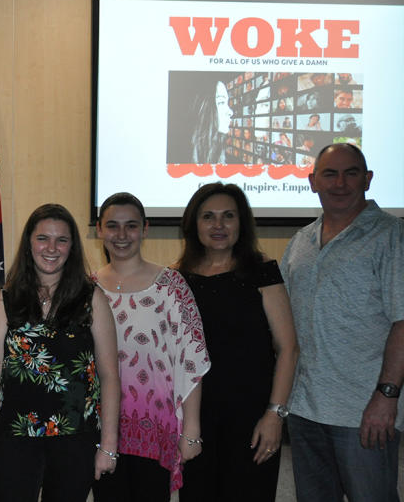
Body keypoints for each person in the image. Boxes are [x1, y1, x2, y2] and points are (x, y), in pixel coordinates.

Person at [280, 143, 404, 502]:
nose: (340, 183)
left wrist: (387, 397)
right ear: (312, 182)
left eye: (351, 173)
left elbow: (402, 322)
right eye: (329, 174)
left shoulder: (391, 236)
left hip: (363, 412)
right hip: (303, 410)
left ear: (367, 179)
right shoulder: (301, 241)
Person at [0, 204, 121, 501]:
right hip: (15, 435)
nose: (51, 248)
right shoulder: (5, 300)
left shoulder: (92, 299)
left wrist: (108, 443)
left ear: (72, 247)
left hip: (75, 437)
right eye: (43, 238)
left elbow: (109, 376)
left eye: (62, 240)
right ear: (29, 243)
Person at [176, 183, 300, 502]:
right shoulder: (178, 279)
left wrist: (275, 415)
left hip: (252, 419)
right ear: (194, 224)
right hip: (195, 419)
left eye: (228, 216)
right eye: (208, 217)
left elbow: (288, 349)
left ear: (241, 223)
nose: (218, 225)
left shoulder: (262, 273)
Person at [90, 193, 209, 501]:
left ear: (145, 229)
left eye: (131, 226)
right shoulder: (85, 288)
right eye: (112, 226)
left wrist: (191, 430)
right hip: (101, 429)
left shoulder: (171, 285)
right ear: (99, 230)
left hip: (156, 426)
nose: (121, 235)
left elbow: (191, 359)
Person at [190, 80, 234, 164]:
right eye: (221, 102)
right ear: (204, 108)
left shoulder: (218, 150)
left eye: (227, 103)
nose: (230, 112)